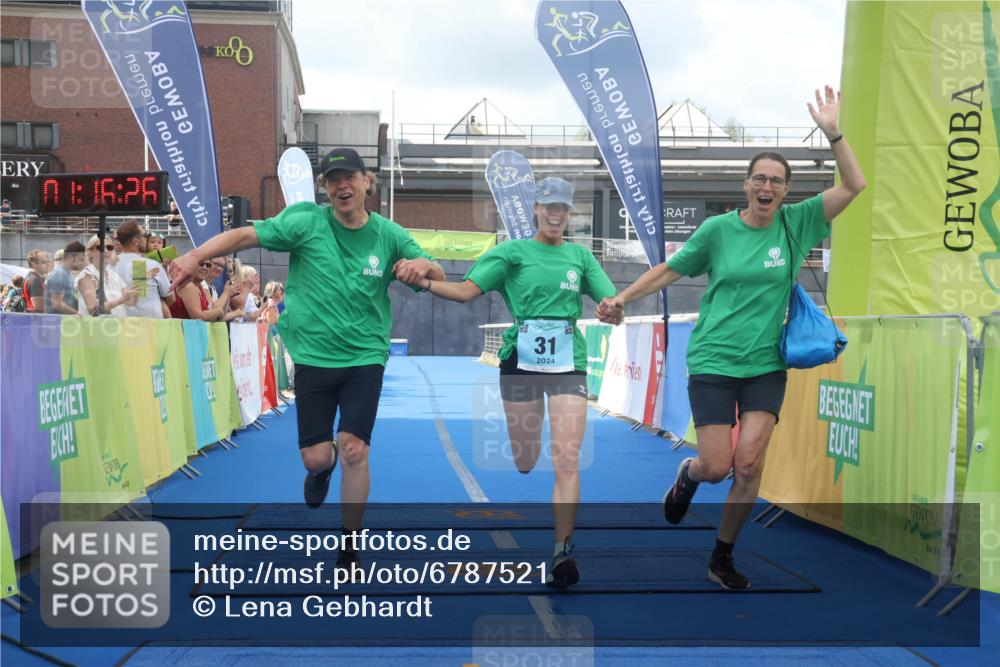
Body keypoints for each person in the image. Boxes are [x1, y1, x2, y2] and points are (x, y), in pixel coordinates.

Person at [597, 86, 866, 590]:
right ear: (746, 185)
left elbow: (855, 184)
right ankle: (689, 474)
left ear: (787, 191)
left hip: (766, 364)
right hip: (714, 361)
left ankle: (722, 556)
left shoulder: (798, 222)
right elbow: (668, 271)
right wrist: (621, 299)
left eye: (778, 181)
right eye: (760, 178)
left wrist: (834, 132)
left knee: (749, 464)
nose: (768, 187)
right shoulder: (718, 231)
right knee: (718, 466)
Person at [169, 147, 444, 570]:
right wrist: (193, 256)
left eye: (349, 177)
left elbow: (436, 274)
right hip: (314, 357)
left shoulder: (389, 235)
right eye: (332, 180)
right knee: (318, 456)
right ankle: (321, 470)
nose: (341, 186)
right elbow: (244, 235)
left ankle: (350, 544)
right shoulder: (306, 222)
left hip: (365, 356)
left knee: (355, 448)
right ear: (325, 188)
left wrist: (423, 263)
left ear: (367, 181)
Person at [399, 177, 616, 588]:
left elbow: (609, 300)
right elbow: (465, 291)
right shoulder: (512, 253)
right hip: (521, 361)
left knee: (566, 459)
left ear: (570, 214)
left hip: (569, 360)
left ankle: (562, 552)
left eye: (563, 208)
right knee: (524, 459)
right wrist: (425, 282)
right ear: (536, 209)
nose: (555, 214)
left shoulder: (580, 257)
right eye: (548, 206)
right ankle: (528, 457)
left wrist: (611, 310)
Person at [113, 220, 174, 318]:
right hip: (150, 328)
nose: (146, 239)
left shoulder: (108, 266)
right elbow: (171, 299)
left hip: (119, 326)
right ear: (136, 241)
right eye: (144, 235)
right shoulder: (151, 265)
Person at [75, 236, 138, 317]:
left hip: (117, 327)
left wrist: (138, 286)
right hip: (96, 328)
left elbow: (131, 302)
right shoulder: (87, 275)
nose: (106, 251)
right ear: (90, 252)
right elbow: (93, 310)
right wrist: (122, 299)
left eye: (109, 247)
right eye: (100, 247)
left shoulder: (113, 275)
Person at [44, 241, 87, 315]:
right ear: (70, 257)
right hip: (57, 323)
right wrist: (77, 314)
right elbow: (57, 304)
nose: (83, 263)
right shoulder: (59, 274)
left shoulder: (66, 274)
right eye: (81, 259)